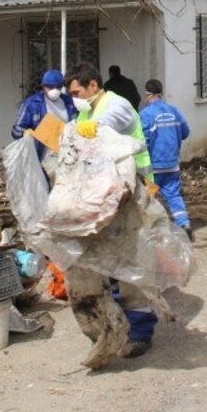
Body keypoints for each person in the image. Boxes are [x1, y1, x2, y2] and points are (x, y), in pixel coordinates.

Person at [66, 63, 155, 358]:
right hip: (103, 196)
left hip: (131, 192)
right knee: (106, 261)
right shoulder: (84, 111)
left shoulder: (116, 105)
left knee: (129, 261)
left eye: (77, 91)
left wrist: (91, 128)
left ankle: (141, 330)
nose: (74, 98)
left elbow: (106, 126)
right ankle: (116, 324)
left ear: (93, 85)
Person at [139, 79, 192, 239]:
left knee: (148, 199)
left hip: (154, 168)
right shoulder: (174, 111)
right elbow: (185, 132)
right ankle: (184, 223)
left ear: (147, 95)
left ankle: (147, 231)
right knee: (174, 195)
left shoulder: (146, 114)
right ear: (161, 93)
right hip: (172, 165)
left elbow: (144, 140)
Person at [11, 69, 77, 158]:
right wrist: (24, 133)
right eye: (50, 87)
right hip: (41, 155)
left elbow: (76, 124)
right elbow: (16, 129)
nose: (55, 90)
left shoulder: (68, 101)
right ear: (43, 86)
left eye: (58, 87)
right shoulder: (32, 103)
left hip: (65, 153)